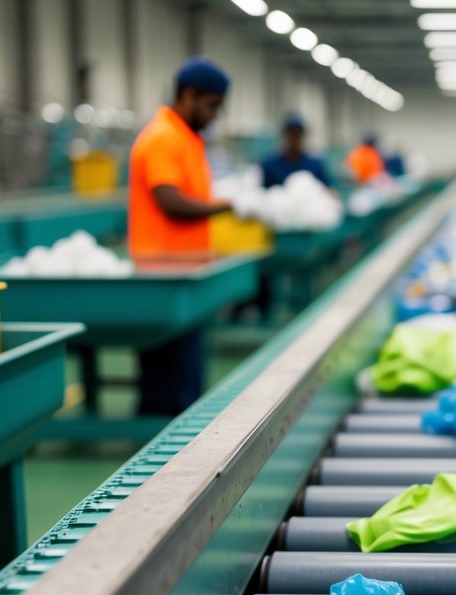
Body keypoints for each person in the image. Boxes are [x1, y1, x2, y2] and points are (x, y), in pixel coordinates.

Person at [128, 56, 233, 416]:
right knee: (167, 385)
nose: (213, 116)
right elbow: (169, 200)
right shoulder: (162, 137)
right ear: (188, 95)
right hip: (161, 275)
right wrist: (229, 206)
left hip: (183, 274)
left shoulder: (187, 139)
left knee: (184, 382)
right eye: (211, 106)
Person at [259, 112, 333, 189]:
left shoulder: (315, 165)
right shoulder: (270, 164)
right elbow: (264, 193)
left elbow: (327, 190)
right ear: (284, 135)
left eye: (297, 134)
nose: (294, 138)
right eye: (291, 133)